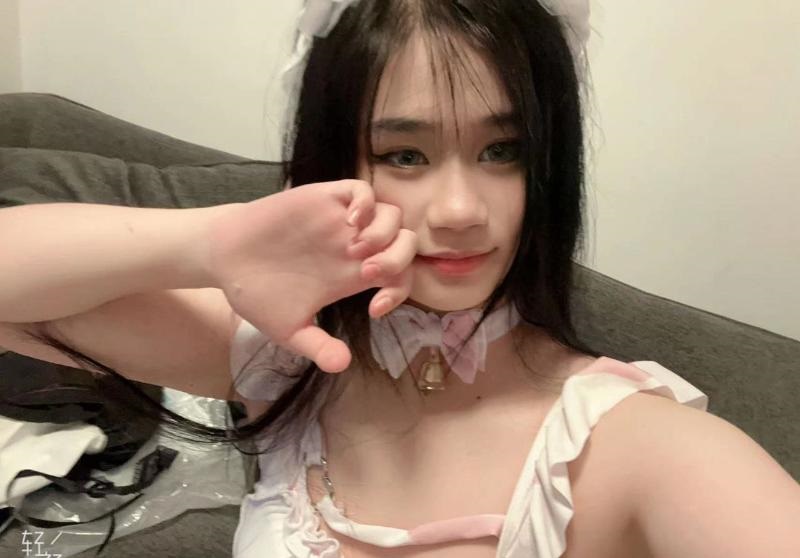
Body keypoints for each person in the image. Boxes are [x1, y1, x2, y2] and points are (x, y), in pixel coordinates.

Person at [0, 1, 798, 557]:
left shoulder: (631, 448)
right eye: (404, 155)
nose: (459, 210)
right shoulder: (289, 363)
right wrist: (207, 244)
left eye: (504, 151)